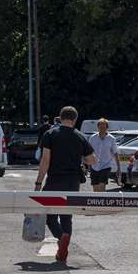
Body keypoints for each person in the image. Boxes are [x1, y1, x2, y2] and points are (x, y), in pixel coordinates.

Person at [34, 105, 94, 263]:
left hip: (54, 180)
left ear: (60, 118)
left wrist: (39, 183)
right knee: (66, 217)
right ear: (75, 119)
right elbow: (91, 160)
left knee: (50, 217)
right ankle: (63, 248)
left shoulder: (50, 134)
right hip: (73, 182)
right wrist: (81, 159)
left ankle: (62, 238)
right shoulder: (80, 136)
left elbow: (45, 160)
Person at [87, 117, 120, 192]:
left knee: (102, 185)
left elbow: (115, 153)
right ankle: (96, 202)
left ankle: (101, 202)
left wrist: (119, 168)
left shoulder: (111, 139)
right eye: (100, 127)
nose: (102, 128)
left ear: (107, 127)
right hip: (94, 166)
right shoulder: (92, 138)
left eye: (104, 127)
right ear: (98, 127)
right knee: (95, 188)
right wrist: (87, 164)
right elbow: (89, 152)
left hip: (106, 165)